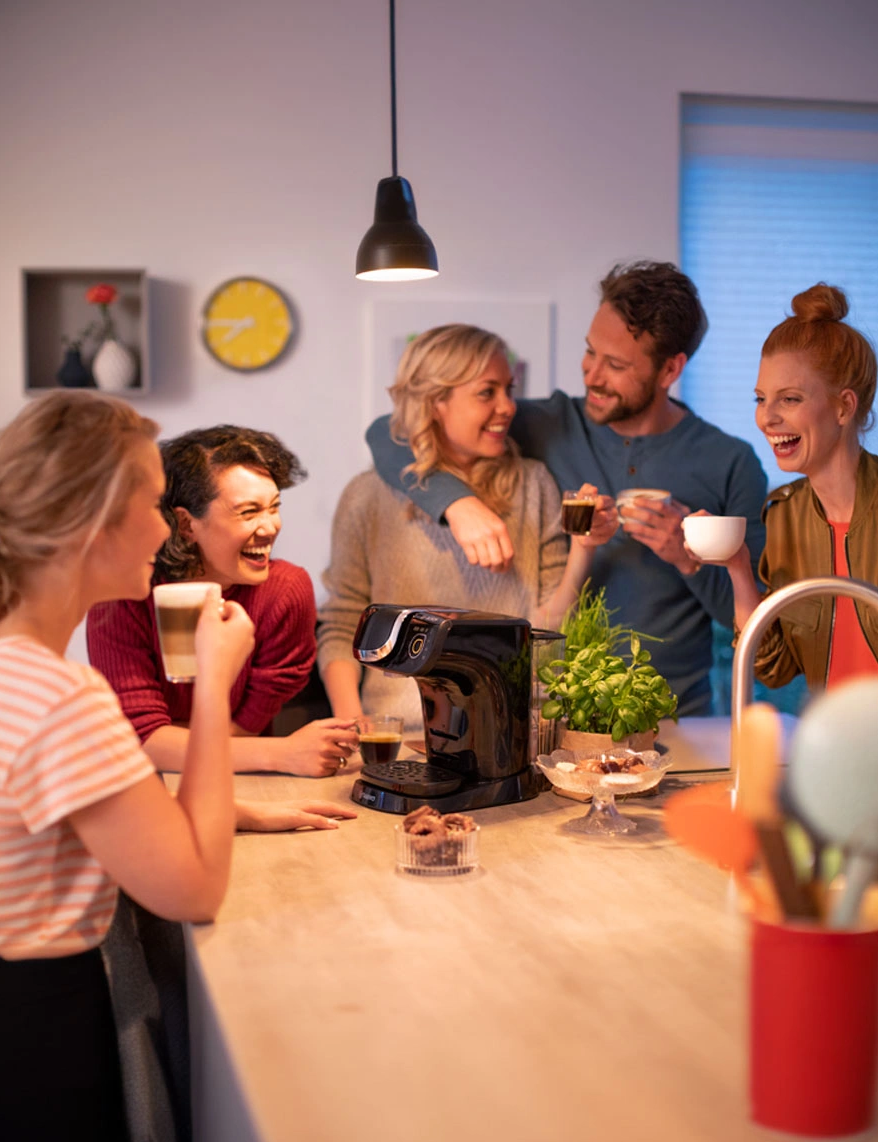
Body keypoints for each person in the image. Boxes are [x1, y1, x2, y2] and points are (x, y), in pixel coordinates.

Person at [0, 393, 354, 1142]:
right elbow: (192, 890)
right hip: (29, 1032)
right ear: (96, 524)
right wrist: (211, 684)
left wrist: (224, 807)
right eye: (149, 504)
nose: (162, 526)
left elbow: (67, 825)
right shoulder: (62, 697)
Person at [366, 262, 769, 715]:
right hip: (561, 710)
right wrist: (458, 504)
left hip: (674, 715)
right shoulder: (549, 424)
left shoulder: (731, 462)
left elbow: (758, 622)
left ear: (670, 369)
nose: (592, 375)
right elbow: (391, 431)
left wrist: (687, 558)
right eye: (590, 351)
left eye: (615, 365)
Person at [318, 323, 618, 725]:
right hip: (399, 731)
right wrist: (351, 717)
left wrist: (585, 548)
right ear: (434, 401)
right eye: (487, 392)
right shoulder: (366, 496)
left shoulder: (534, 484)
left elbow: (548, 635)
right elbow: (342, 624)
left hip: (512, 729)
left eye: (509, 389)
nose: (508, 407)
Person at [88, 425, 359, 782]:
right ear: (186, 524)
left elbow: (242, 728)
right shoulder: (123, 595)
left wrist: (169, 735)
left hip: (235, 781)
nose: (270, 527)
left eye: (274, 507)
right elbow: (142, 741)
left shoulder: (285, 592)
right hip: (135, 783)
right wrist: (284, 753)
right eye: (248, 512)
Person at [711, 283, 878, 689]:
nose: (766, 418)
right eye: (760, 399)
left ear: (843, 406)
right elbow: (772, 666)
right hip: (834, 741)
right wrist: (737, 566)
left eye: (789, 399)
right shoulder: (784, 515)